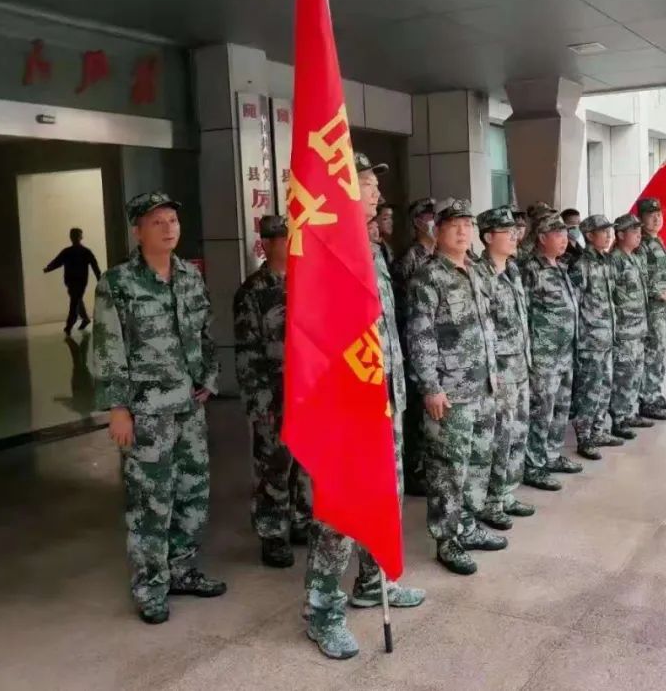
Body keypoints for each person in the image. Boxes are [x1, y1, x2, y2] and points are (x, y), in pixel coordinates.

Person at [302, 153, 425, 661]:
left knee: (386, 496)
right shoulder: (325, 253)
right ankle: (322, 611)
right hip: (347, 407)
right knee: (338, 514)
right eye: (367, 185)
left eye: (375, 185)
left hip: (384, 399)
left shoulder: (372, 248)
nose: (376, 194)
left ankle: (374, 583)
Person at [91, 192, 223, 625]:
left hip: (188, 408)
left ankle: (182, 570)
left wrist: (209, 377)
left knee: (192, 492)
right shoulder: (118, 283)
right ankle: (150, 586)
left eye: (172, 220)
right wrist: (118, 408)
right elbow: (109, 347)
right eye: (157, 222)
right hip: (147, 412)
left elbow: (205, 332)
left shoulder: (189, 276)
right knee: (150, 499)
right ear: (137, 230)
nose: (168, 228)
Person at [407, 198, 504, 576]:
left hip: (483, 386)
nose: (463, 232)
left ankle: (468, 524)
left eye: (467, 225)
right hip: (450, 392)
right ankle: (447, 540)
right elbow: (420, 335)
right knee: (449, 469)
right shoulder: (428, 277)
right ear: (438, 231)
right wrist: (431, 386)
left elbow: (487, 327)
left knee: (479, 461)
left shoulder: (477, 271)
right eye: (454, 226)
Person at [234, 215, 310, 570]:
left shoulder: (308, 281)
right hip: (272, 394)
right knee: (274, 465)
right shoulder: (253, 291)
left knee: (305, 463)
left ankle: (300, 521)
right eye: (280, 238)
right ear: (266, 244)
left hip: (306, 393)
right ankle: (272, 534)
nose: (287, 243)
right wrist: (258, 403)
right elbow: (247, 354)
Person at [475, 206, 536, 530]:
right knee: (498, 437)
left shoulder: (512, 270)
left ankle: (507, 492)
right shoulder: (480, 276)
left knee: (517, 433)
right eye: (506, 231)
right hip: (498, 371)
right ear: (488, 237)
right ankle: (491, 501)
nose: (514, 236)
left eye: (515, 230)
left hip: (518, 367)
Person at [521, 211, 581, 490]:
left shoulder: (560, 266)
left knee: (560, 408)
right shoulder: (530, 269)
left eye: (566, 234)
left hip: (564, 352)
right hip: (544, 356)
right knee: (541, 411)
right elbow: (524, 314)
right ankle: (534, 464)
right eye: (558, 235)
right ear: (542, 237)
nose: (564, 240)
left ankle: (553, 454)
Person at [570, 214, 624, 460]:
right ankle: (584, 437)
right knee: (589, 390)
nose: (609, 234)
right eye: (603, 231)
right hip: (590, 340)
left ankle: (599, 430)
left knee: (604, 386)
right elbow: (575, 305)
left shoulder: (606, 262)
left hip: (606, 336)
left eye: (609, 231)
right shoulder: (582, 265)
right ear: (590, 236)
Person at [393, 196, 435, 497]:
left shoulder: (439, 255)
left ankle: (426, 468)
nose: (433, 221)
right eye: (428, 216)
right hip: (415, 341)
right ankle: (415, 470)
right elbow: (404, 305)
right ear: (418, 221)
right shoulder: (411, 257)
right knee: (417, 414)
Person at [636, 198, 666, 421]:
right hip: (653, 309)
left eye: (659, 215)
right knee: (652, 352)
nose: (657, 219)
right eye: (651, 215)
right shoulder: (641, 245)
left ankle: (655, 393)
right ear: (641, 218)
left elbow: (661, 271)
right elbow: (640, 276)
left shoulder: (658, 242)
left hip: (664, 310)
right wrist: (659, 292)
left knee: (660, 352)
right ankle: (646, 399)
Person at [609, 214, 654, 436]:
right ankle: (619, 418)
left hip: (638, 328)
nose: (638, 235)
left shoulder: (634, 257)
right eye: (633, 231)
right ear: (620, 235)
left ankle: (629, 413)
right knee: (623, 375)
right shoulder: (614, 260)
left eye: (639, 231)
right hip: (624, 330)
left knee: (636, 373)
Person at [44, 227, 102, 335]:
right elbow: (58, 261)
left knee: (74, 301)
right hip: (74, 281)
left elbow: (58, 261)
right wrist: (49, 268)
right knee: (77, 299)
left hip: (77, 281)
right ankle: (85, 318)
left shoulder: (72, 252)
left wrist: (49, 268)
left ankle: (69, 324)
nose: (75, 237)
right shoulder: (83, 252)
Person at [376, 203, 396, 268]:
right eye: (385, 218)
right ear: (376, 220)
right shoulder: (376, 248)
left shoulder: (393, 246)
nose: (391, 222)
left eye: (393, 218)